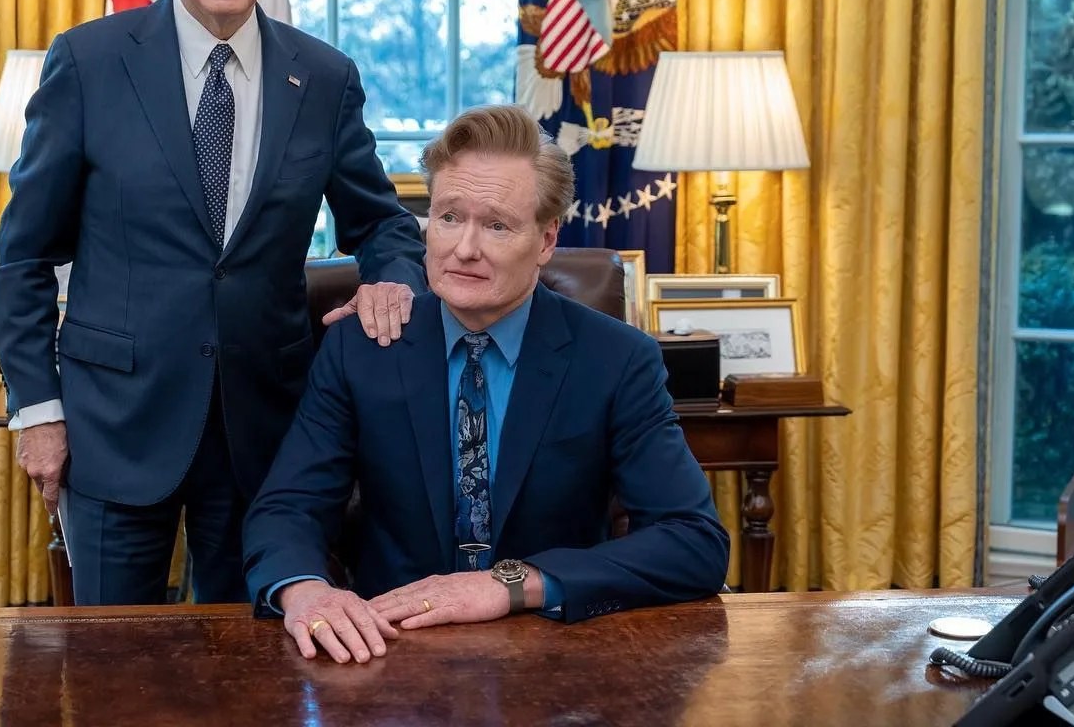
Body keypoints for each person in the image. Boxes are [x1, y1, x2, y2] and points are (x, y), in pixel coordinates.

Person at [0, 0, 426, 607]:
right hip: (114, 427)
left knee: (247, 657)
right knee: (115, 663)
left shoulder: (324, 78)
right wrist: (39, 412)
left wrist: (394, 278)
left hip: (262, 430)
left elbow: (382, 222)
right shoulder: (88, 64)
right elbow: (23, 258)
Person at [243, 104, 729, 662]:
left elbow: (694, 541)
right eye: (449, 217)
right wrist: (306, 591)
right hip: (388, 650)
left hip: (557, 652)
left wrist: (512, 585)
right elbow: (286, 509)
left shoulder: (616, 359)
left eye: (497, 225)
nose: (464, 248)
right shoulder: (363, 348)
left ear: (545, 240)